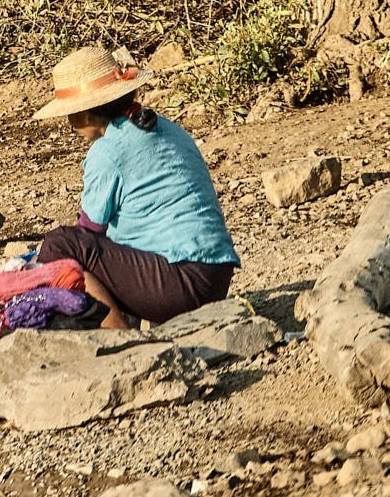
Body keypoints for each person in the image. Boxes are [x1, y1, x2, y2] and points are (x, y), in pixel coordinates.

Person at [32, 45, 239, 329]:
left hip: (181, 282)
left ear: (86, 114)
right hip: (215, 276)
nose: (69, 124)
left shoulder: (106, 151)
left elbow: (88, 233)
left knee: (60, 245)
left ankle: (125, 339)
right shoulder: (167, 127)